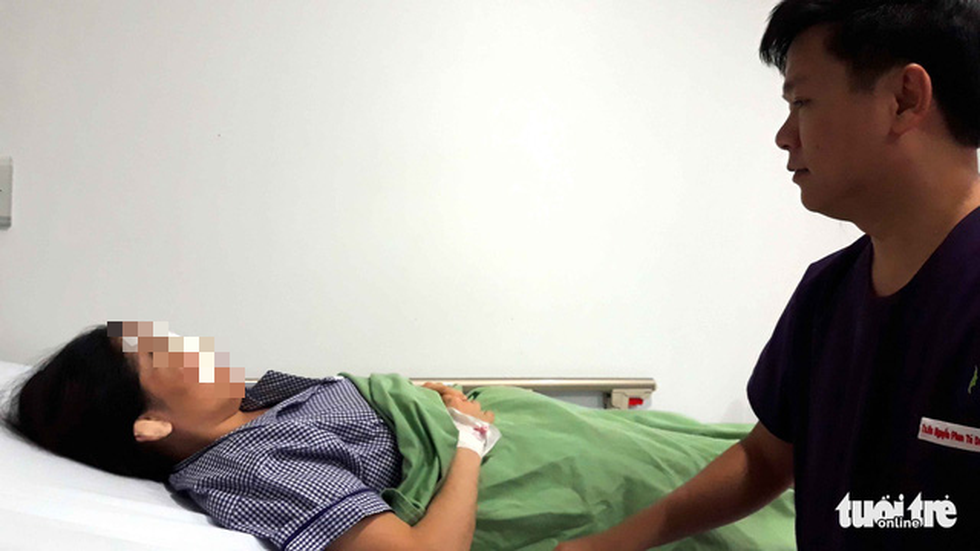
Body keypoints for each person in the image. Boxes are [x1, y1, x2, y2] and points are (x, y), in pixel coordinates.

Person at [557, 0, 980, 549]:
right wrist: (611, 541)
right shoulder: (828, 293)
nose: (785, 136)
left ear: (904, 100)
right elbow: (766, 457)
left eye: (802, 101)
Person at [5, 322, 797, 550]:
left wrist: (449, 403)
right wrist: (466, 443)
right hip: (506, 464)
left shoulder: (257, 405)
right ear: (149, 423)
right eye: (158, 354)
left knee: (716, 451)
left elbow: (379, 403)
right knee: (734, 493)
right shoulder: (245, 466)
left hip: (514, 427)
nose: (185, 344)